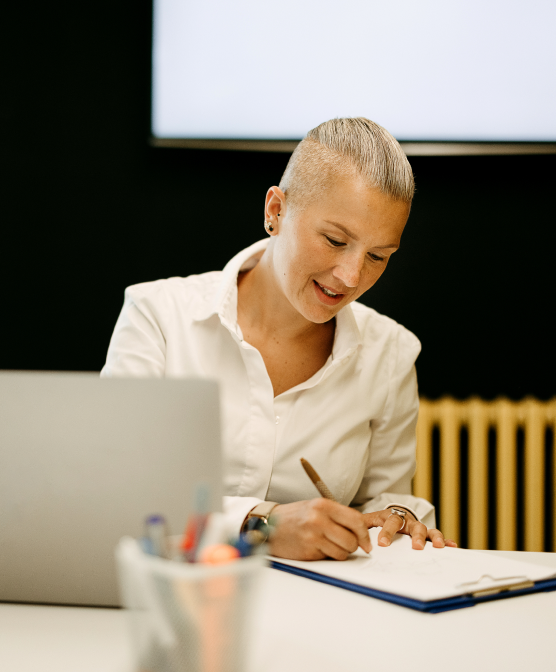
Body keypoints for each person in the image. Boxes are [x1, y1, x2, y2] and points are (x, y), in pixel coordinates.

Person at [101, 117, 457, 561]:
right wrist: (261, 524)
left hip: (321, 608)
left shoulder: (392, 353)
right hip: (177, 593)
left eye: (378, 256)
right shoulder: (158, 317)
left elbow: (384, 498)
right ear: (276, 211)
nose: (351, 277)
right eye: (334, 240)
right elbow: (115, 490)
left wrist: (397, 517)